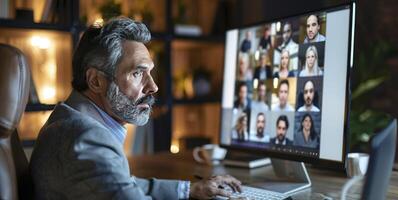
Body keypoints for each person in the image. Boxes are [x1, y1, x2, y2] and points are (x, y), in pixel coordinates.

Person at [29, 17, 241, 200]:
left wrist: (189, 189)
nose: (153, 86)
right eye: (138, 73)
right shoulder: (86, 138)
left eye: (150, 72)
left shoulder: (69, 120)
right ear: (95, 81)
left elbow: (120, 183)